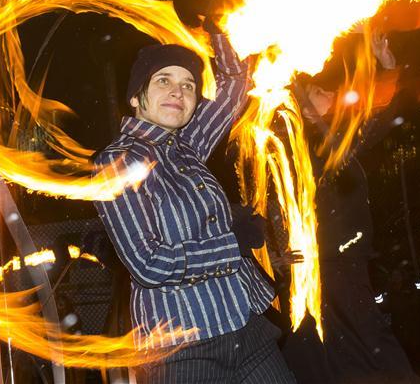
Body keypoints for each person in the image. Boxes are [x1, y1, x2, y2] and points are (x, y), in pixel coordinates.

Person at [93, 20, 295, 384]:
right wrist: (232, 245)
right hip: (184, 346)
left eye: (188, 85)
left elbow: (235, 82)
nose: (179, 91)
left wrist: (222, 23)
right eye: (164, 81)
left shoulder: (188, 146)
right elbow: (148, 264)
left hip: (245, 328)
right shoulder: (117, 161)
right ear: (136, 97)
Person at [278, 31, 420, 384]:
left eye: (328, 90)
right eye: (319, 91)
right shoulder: (306, 152)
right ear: (306, 110)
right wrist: (276, 252)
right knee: (334, 348)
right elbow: (278, 206)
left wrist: (388, 66)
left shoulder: (338, 142)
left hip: (343, 264)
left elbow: (381, 115)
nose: (330, 93)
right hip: (322, 267)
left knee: (347, 348)